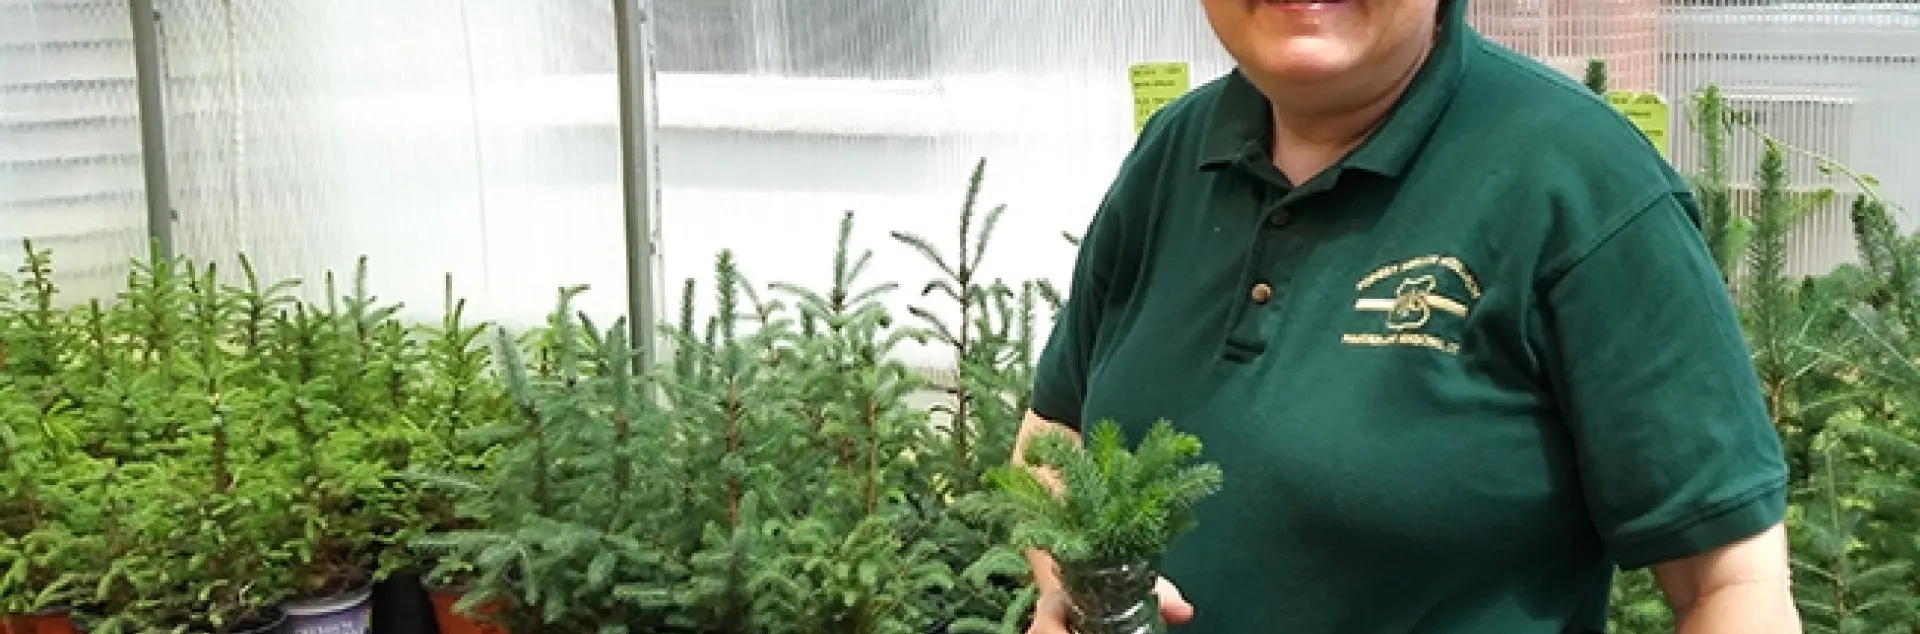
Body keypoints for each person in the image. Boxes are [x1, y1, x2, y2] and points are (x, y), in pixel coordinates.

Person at [1014, 0, 1802, 632]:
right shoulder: (1172, 154)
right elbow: (1054, 434)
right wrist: (1073, 585)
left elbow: (1731, 583)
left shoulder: (1577, 183)